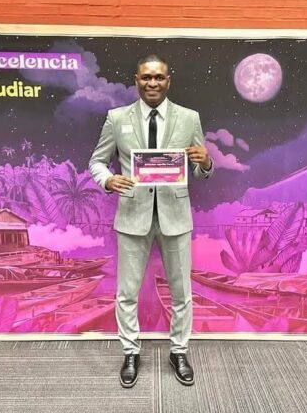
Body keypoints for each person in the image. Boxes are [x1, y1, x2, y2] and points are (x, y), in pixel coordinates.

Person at [89, 54, 213, 388]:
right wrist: (107, 179)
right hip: (132, 217)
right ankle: (131, 351)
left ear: (168, 80)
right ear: (136, 79)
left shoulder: (189, 118)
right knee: (126, 292)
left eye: (159, 77)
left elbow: (200, 170)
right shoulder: (117, 118)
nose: (152, 83)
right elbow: (97, 161)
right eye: (146, 77)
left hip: (176, 217)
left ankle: (179, 351)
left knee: (181, 292)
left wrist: (206, 162)